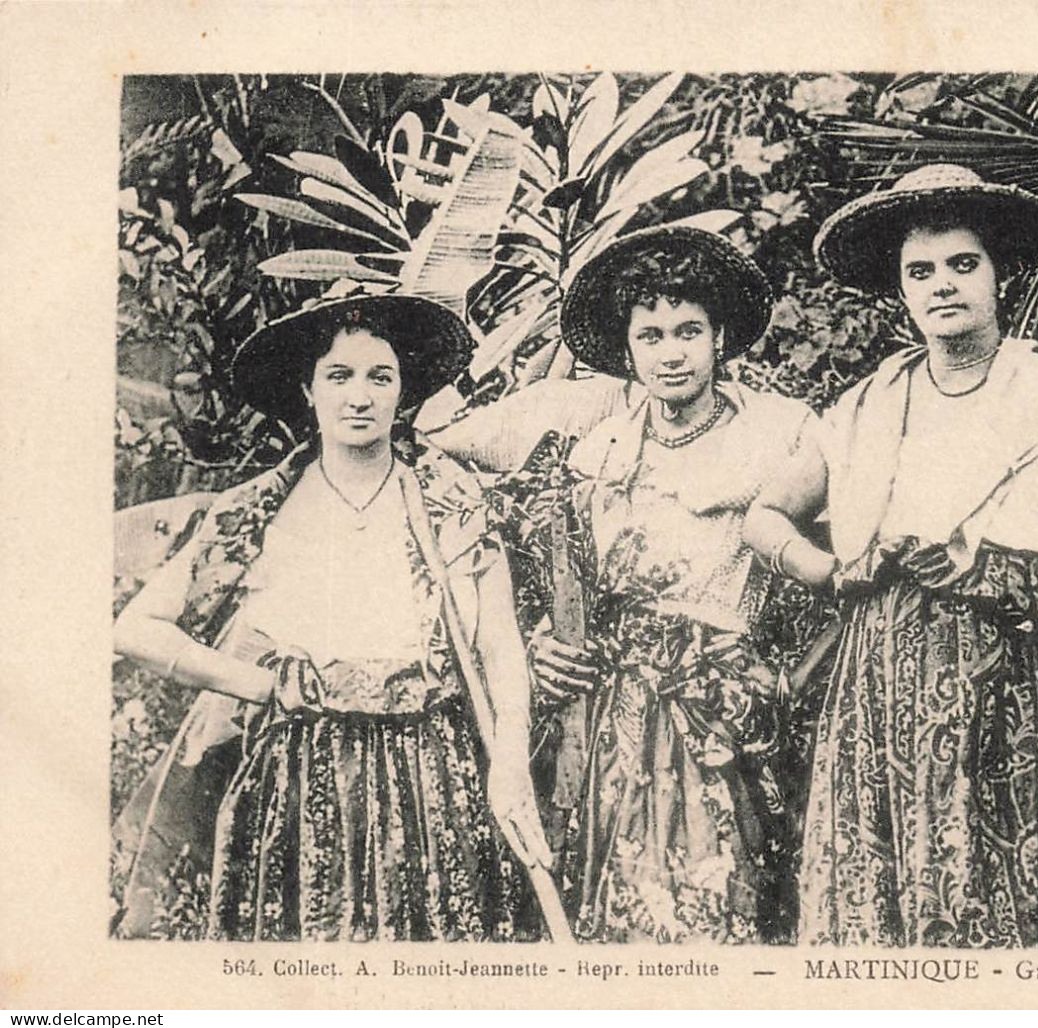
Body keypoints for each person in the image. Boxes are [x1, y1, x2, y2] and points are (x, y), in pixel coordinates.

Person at [744, 164, 1038, 947]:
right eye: (921, 271)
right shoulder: (867, 403)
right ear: (901, 289)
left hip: (1003, 703)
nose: (942, 285)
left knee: (993, 914)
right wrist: (827, 570)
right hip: (871, 698)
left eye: (962, 264)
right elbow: (765, 515)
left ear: (998, 275)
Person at [113, 294, 554, 941]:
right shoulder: (259, 507)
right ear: (307, 388)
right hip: (298, 775)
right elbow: (136, 628)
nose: (359, 396)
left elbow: (499, 647)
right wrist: (262, 686)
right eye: (338, 376)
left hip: (427, 775)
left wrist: (509, 761)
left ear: (403, 392)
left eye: (380, 376)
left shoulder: (450, 500)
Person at [526, 225, 816, 943]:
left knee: (723, 899)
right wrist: (541, 641)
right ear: (627, 351)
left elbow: (845, 565)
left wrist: (786, 679)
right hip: (613, 716)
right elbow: (568, 587)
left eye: (689, 330)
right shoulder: (599, 453)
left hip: (728, 710)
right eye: (651, 335)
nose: (672, 352)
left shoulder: (780, 434)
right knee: (619, 900)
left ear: (720, 338)